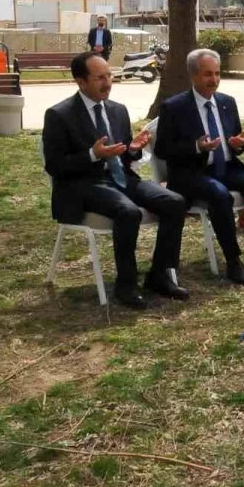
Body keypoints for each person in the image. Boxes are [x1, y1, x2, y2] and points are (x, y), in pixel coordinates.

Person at [42, 52, 188, 308]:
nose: (108, 82)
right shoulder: (59, 114)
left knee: (174, 202)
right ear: (80, 81)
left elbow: (126, 157)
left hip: (122, 178)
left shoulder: (117, 110)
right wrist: (92, 154)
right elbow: (55, 166)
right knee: (128, 212)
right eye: (100, 78)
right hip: (83, 184)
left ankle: (159, 275)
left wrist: (133, 148)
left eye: (109, 75)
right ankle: (126, 285)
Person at [156, 48, 244, 286]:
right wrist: (197, 147)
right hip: (191, 172)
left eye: (218, 73)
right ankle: (233, 262)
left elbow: (235, 142)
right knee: (220, 195)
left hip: (227, 166)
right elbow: (162, 150)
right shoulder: (174, 107)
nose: (214, 80)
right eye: (208, 74)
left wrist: (237, 145)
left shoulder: (226, 103)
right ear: (193, 75)